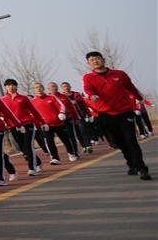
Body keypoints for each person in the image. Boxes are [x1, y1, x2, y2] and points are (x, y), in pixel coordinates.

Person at [82, 51, 151, 180]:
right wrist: (92, 95)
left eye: (97, 58)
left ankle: (142, 168)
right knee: (119, 142)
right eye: (92, 60)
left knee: (131, 141)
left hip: (124, 112)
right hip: (106, 114)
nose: (95, 61)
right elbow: (88, 88)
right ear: (89, 63)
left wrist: (139, 99)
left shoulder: (119, 74)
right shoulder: (88, 77)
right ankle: (131, 164)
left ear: (103, 60)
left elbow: (130, 87)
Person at [2, 79, 45, 176]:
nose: (11, 87)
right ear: (6, 87)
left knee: (29, 146)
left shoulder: (23, 98)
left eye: (13, 85)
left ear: (16, 86)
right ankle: (37, 162)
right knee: (22, 147)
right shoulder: (3, 100)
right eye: (8, 85)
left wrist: (42, 122)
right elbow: (2, 113)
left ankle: (32, 168)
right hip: (13, 126)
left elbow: (33, 111)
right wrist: (4, 122)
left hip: (27, 124)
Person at [30, 81, 75, 164]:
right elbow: (32, 114)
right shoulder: (33, 102)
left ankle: (71, 153)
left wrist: (61, 113)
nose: (38, 89)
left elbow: (61, 106)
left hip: (58, 123)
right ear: (34, 90)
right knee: (49, 141)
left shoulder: (52, 97)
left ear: (43, 88)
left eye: (40, 87)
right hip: (46, 125)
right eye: (36, 88)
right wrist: (38, 123)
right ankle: (55, 158)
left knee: (66, 140)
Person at [48, 82, 81, 158]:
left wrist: (76, 117)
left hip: (68, 118)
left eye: (55, 86)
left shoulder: (63, 96)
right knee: (63, 137)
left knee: (71, 136)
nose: (54, 88)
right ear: (48, 89)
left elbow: (72, 107)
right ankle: (54, 155)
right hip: (56, 121)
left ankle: (74, 152)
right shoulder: (49, 98)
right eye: (52, 87)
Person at [60, 82, 94, 153]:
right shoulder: (61, 96)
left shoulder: (76, 94)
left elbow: (84, 104)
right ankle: (84, 146)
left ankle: (88, 145)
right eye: (64, 87)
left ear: (70, 86)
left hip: (80, 114)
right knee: (77, 132)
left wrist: (89, 114)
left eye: (67, 86)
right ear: (62, 88)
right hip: (71, 116)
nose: (66, 87)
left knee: (83, 130)